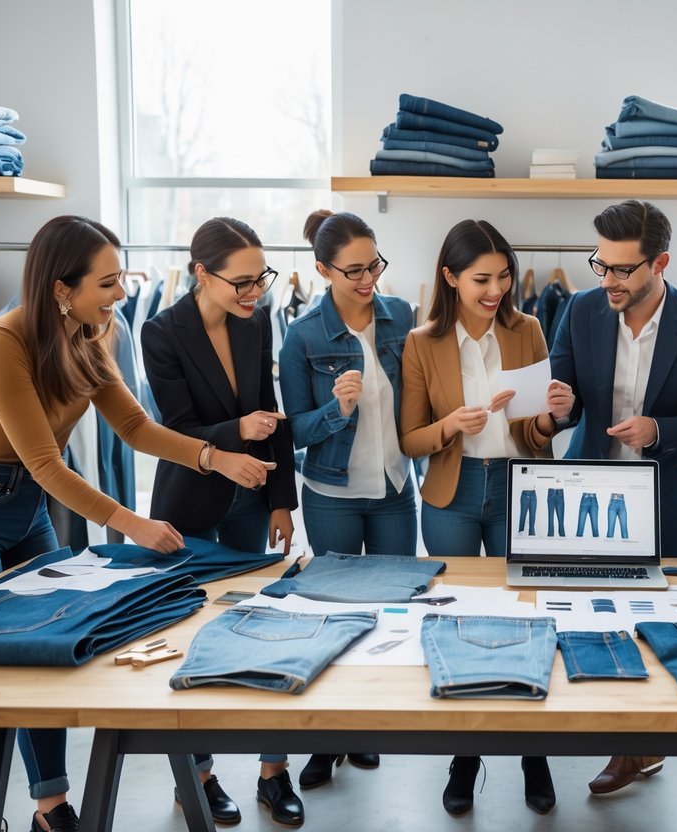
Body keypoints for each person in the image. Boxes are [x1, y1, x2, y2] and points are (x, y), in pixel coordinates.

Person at [0, 215, 273, 832]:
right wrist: (133, 523)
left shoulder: (90, 333)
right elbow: (47, 463)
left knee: (41, 659)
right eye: (107, 283)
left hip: (29, 513)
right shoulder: (2, 340)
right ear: (61, 286)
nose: (121, 295)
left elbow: (135, 427)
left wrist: (215, 458)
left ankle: (51, 809)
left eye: (120, 280)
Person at [400, 218, 573, 816]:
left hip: (516, 481)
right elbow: (411, 438)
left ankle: (534, 753)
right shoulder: (422, 342)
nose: (496, 288)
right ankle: (465, 757)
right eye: (481, 279)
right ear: (450, 278)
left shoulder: (527, 331)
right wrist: (454, 424)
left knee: (528, 615)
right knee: (459, 623)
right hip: (451, 489)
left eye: (502, 276)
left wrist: (553, 416)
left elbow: (533, 429)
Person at [548, 200, 677, 795]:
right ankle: (618, 736)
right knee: (594, 619)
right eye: (602, 264)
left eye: (623, 269)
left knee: (655, 621)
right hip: (590, 493)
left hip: (666, 491)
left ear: (660, 262)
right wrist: (559, 408)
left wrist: (660, 431)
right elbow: (564, 393)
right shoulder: (580, 309)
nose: (609, 279)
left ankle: (640, 746)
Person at [140, 216, 301, 827]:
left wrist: (281, 499)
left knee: (262, 630)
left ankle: (271, 769)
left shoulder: (255, 322)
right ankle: (197, 778)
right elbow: (172, 430)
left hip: (252, 496)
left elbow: (271, 413)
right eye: (242, 281)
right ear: (201, 273)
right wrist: (235, 434)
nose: (255, 290)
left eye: (260, 277)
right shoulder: (161, 333)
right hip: (193, 503)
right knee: (193, 639)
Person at [278, 209, 416, 791]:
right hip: (332, 493)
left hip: (393, 490)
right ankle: (323, 741)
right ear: (322, 269)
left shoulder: (403, 317)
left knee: (387, 614)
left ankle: (362, 731)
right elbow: (297, 432)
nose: (368, 280)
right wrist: (338, 408)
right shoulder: (303, 335)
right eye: (354, 270)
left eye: (375, 265)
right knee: (332, 616)